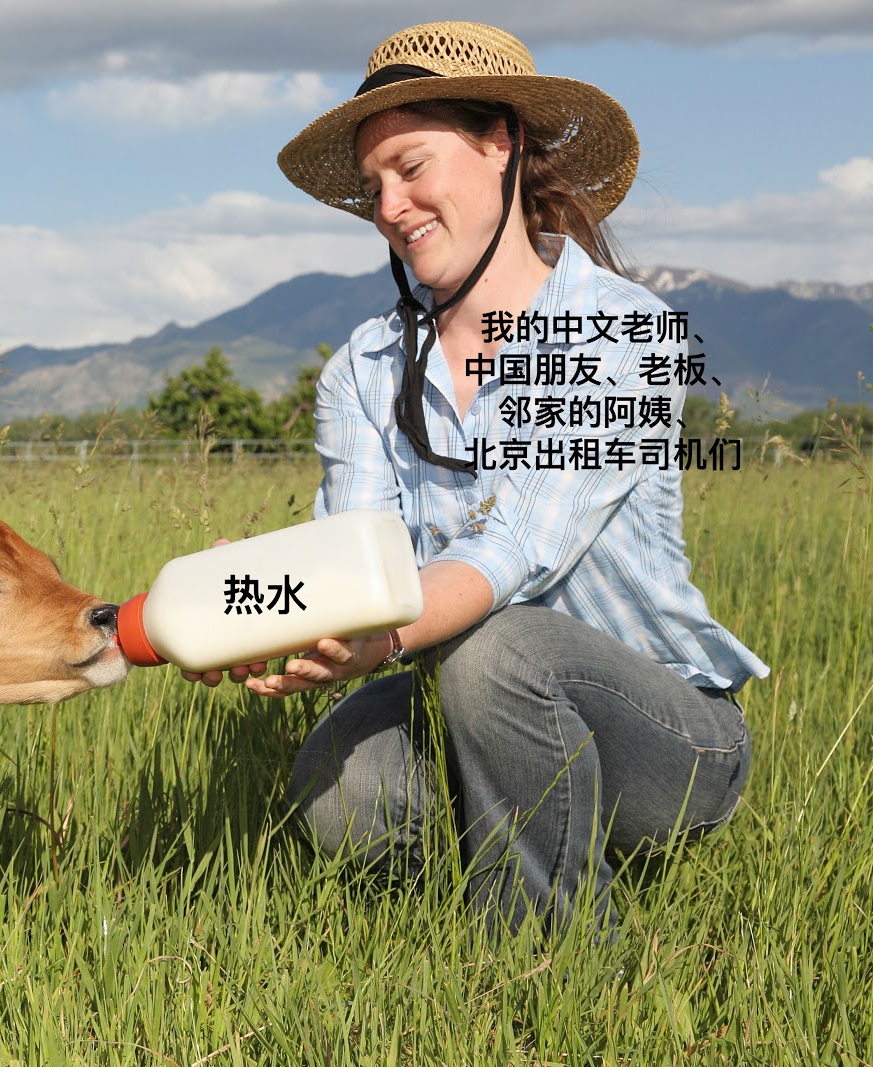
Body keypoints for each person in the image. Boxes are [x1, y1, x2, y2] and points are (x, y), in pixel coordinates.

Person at [186, 21, 766, 937]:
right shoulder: (365, 369)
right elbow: (358, 558)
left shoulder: (618, 330)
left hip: (666, 735)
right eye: (374, 186)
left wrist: (378, 637)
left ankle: (550, 964)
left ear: (502, 142)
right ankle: (481, 874)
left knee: (501, 647)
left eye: (411, 167)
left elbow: (518, 548)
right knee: (341, 783)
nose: (390, 205)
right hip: (465, 702)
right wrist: (267, 606)